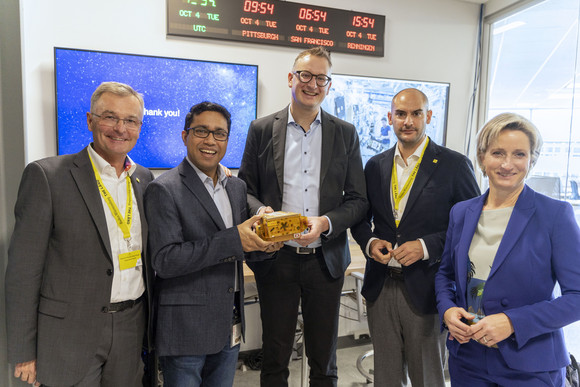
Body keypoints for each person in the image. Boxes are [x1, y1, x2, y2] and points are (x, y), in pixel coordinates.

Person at [5, 81, 154, 386]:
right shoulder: (47, 176)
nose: (120, 128)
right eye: (109, 117)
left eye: (130, 120)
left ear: (139, 127)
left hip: (130, 325)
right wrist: (24, 351)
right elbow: (23, 271)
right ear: (90, 121)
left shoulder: (143, 178)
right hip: (68, 335)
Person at [238, 46, 368, 386]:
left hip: (325, 260)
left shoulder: (346, 133)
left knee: (324, 358)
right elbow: (244, 189)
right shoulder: (262, 129)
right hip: (276, 258)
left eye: (321, 78)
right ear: (291, 78)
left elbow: (358, 200)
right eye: (305, 75)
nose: (312, 84)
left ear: (329, 84)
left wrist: (326, 223)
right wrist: (260, 211)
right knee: (276, 355)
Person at [435, 113, 580, 386]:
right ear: (482, 158)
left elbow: (577, 296)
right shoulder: (462, 212)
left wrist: (513, 322)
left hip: (529, 362)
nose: (507, 164)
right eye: (497, 152)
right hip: (468, 357)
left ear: (531, 160)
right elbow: (446, 275)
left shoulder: (555, 215)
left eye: (519, 154)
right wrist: (447, 310)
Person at [144, 101, 281, 387]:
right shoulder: (164, 188)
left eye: (219, 134)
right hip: (186, 328)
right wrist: (235, 238)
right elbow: (166, 260)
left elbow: (241, 249)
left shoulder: (236, 187)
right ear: (185, 136)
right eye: (201, 131)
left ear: (228, 140)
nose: (210, 140)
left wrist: (266, 248)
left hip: (228, 323)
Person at [351, 88, 480, 387]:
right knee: (386, 377)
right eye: (401, 114)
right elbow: (360, 219)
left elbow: (471, 226)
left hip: (428, 287)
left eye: (416, 113)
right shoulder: (376, 165)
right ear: (390, 118)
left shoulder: (454, 165)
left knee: (427, 377)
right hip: (381, 287)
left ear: (428, 116)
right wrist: (370, 243)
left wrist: (425, 246)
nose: (408, 121)